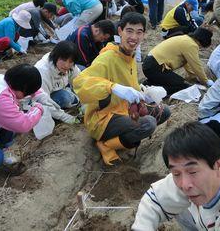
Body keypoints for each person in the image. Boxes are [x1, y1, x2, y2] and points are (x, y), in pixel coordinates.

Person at [73, 13, 171, 165]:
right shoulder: (108, 58)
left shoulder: (130, 57)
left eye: (139, 32)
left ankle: (123, 138)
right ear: (120, 31)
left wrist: (145, 94)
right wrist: (112, 87)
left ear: (144, 34)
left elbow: (131, 86)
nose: (134, 37)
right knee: (148, 123)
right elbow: (80, 82)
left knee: (164, 111)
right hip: (103, 117)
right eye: (129, 31)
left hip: (124, 109)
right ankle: (106, 144)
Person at [142, 27, 214, 95]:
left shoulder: (186, 39)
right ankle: (153, 93)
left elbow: (187, 64)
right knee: (181, 85)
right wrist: (205, 81)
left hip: (150, 65)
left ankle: (147, 84)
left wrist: (193, 77)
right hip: (155, 66)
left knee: (174, 81)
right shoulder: (191, 45)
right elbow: (196, 65)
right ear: (203, 41)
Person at [34, 41, 80, 124]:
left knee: (82, 69)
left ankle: (72, 95)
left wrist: (86, 102)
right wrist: (65, 117)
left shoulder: (70, 67)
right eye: (63, 60)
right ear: (55, 57)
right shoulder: (42, 72)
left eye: (70, 62)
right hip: (39, 99)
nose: (66, 65)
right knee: (64, 97)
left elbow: (80, 82)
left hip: (58, 88)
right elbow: (43, 101)